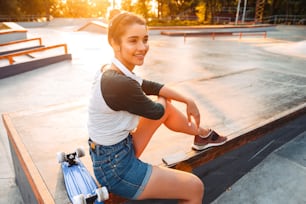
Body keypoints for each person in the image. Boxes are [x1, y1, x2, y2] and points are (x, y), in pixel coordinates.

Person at [87, 11, 227, 203]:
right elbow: (157, 111)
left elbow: (152, 86)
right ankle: (201, 134)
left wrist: (188, 100)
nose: (142, 47)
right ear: (114, 42)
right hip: (117, 170)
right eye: (133, 41)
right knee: (195, 187)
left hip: (114, 153)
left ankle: (201, 135)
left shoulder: (112, 70)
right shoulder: (118, 83)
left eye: (145, 39)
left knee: (165, 104)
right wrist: (165, 97)